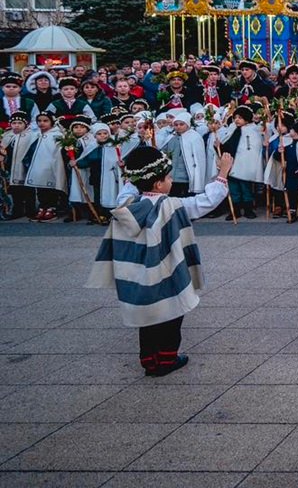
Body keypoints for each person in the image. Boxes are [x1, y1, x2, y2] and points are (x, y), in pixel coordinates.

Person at [87, 146, 235, 376]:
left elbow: (127, 188)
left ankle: (148, 360)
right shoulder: (172, 205)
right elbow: (204, 202)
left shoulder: (127, 204)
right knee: (171, 315)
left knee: (147, 318)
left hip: (139, 273)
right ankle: (167, 360)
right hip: (165, 270)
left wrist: (131, 172)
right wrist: (222, 174)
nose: (171, 180)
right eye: (167, 177)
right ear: (158, 184)